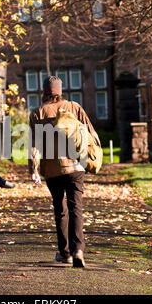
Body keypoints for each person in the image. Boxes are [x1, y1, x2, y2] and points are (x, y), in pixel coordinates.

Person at [29, 76, 100, 268]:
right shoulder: (75, 108)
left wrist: (33, 170)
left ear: (44, 92)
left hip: (52, 170)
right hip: (76, 167)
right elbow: (91, 134)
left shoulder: (37, 113)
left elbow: (34, 145)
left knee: (61, 209)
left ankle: (65, 253)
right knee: (76, 207)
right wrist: (92, 156)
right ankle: (79, 250)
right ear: (60, 90)